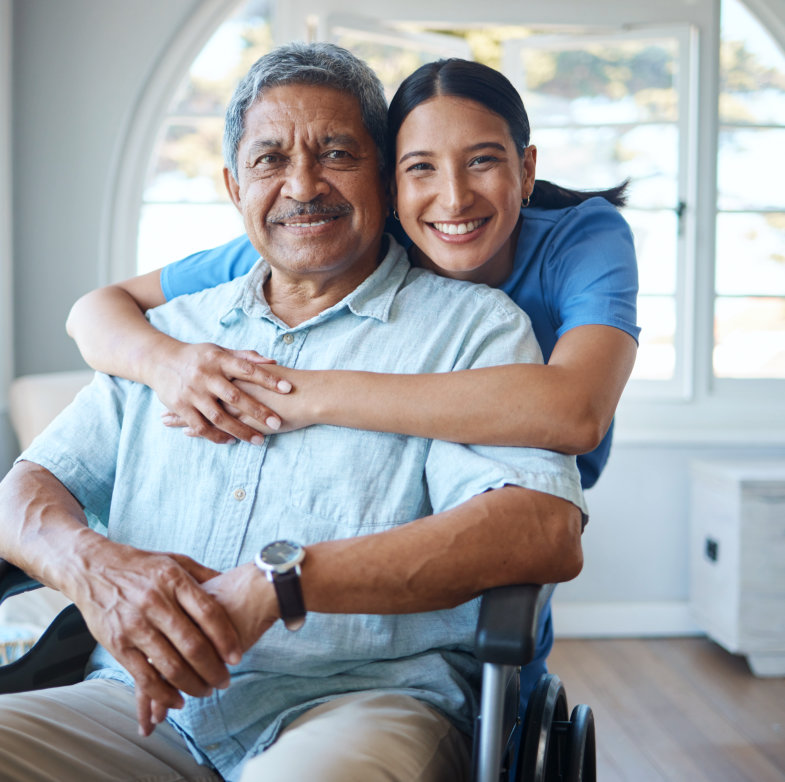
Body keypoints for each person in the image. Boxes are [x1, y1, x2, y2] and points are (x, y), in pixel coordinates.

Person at [0, 43, 587, 782]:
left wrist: (279, 583)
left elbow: (541, 529)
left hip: (360, 699)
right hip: (137, 701)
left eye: (336, 153)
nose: (302, 185)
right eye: (269, 159)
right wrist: (93, 568)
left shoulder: (472, 330)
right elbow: (24, 491)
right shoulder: (173, 334)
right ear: (232, 184)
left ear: (380, 169)